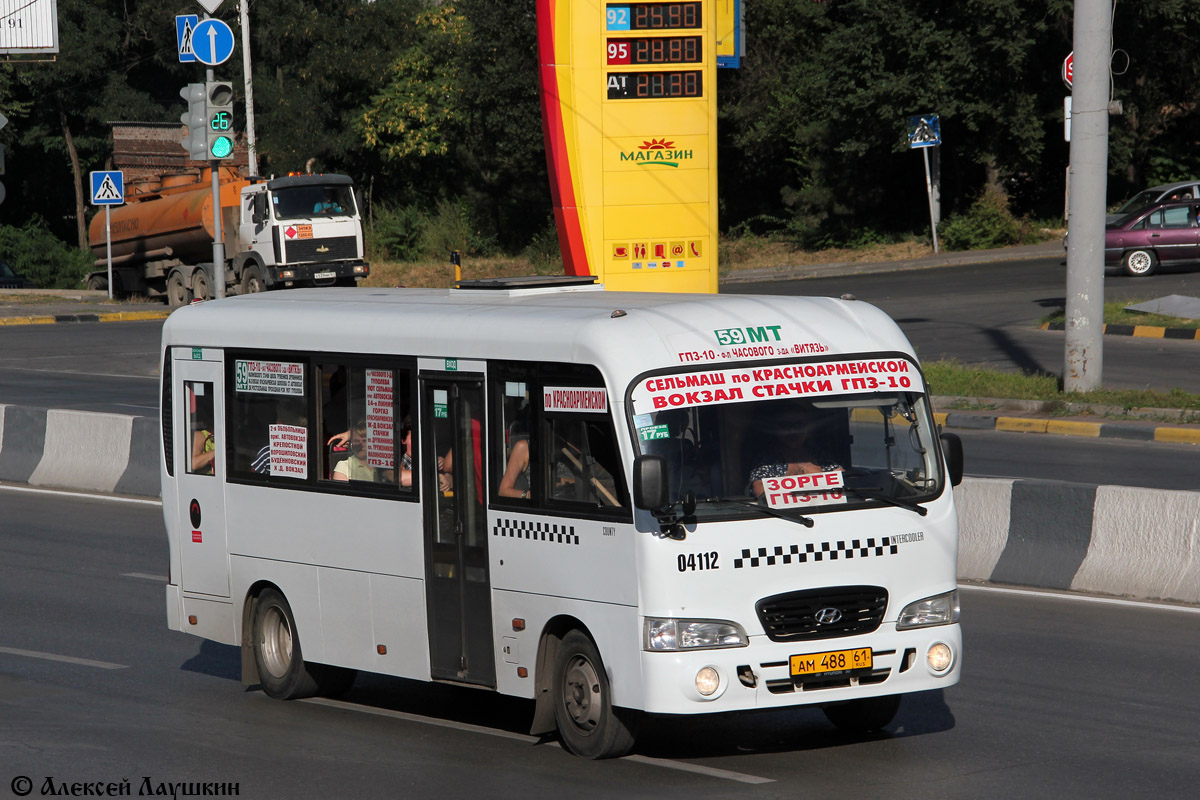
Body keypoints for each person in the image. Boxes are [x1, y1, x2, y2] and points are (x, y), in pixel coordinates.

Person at [748, 415, 841, 499]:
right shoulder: (768, 459)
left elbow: (843, 479)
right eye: (786, 426)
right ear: (778, 431)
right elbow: (759, 491)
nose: (792, 431)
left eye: (798, 426)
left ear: (807, 429)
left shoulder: (819, 455)